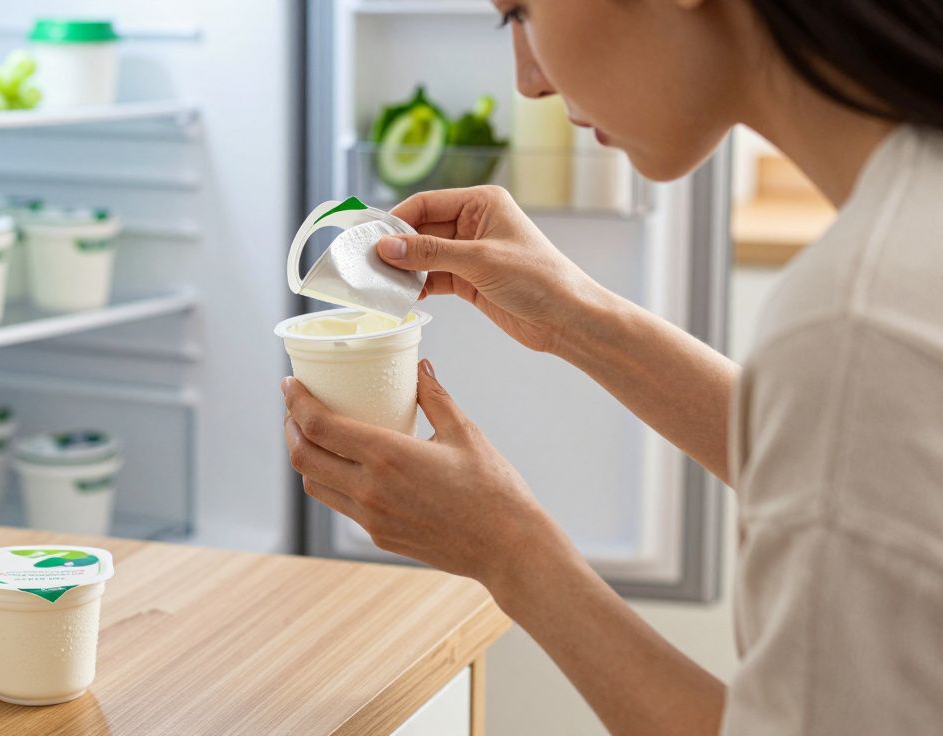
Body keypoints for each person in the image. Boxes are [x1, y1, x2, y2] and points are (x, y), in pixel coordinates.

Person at [281, 0, 943, 733]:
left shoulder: (856, 321)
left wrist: (511, 554)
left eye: (521, 14)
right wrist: (575, 315)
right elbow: (855, 461)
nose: (528, 82)